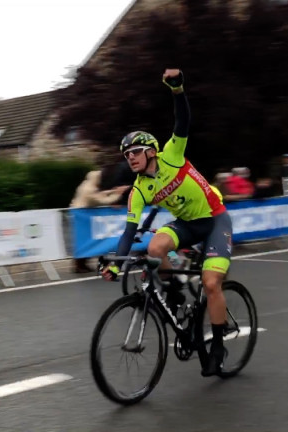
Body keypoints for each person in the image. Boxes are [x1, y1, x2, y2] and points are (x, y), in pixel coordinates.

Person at [100, 69, 232, 377]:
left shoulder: (172, 154)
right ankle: (175, 291)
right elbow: (129, 232)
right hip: (187, 223)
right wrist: (116, 265)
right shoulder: (138, 191)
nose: (130, 158)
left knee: (212, 283)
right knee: (155, 245)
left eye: (134, 152)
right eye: (126, 155)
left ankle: (218, 346)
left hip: (215, 220)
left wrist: (177, 90)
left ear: (150, 151)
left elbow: (182, 121)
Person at [69, 170, 129, 272]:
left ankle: (81, 264)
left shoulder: (86, 185)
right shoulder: (89, 190)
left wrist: (112, 191)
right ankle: (79, 265)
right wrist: (118, 194)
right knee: (86, 240)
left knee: (86, 239)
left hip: (82, 216)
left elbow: (99, 194)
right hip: (83, 217)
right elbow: (102, 200)